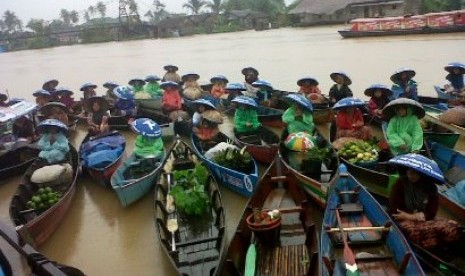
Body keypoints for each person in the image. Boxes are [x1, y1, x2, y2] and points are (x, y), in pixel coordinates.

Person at [388, 154, 463, 251]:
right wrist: (412, 216)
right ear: (406, 171)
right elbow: (395, 209)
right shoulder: (401, 183)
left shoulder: (430, 188)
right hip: (402, 218)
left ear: (421, 174)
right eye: (409, 172)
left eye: (415, 173)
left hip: (423, 219)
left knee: (452, 227)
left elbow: (432, 212)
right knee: (412, 232)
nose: (411, 175)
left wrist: (418, 216)